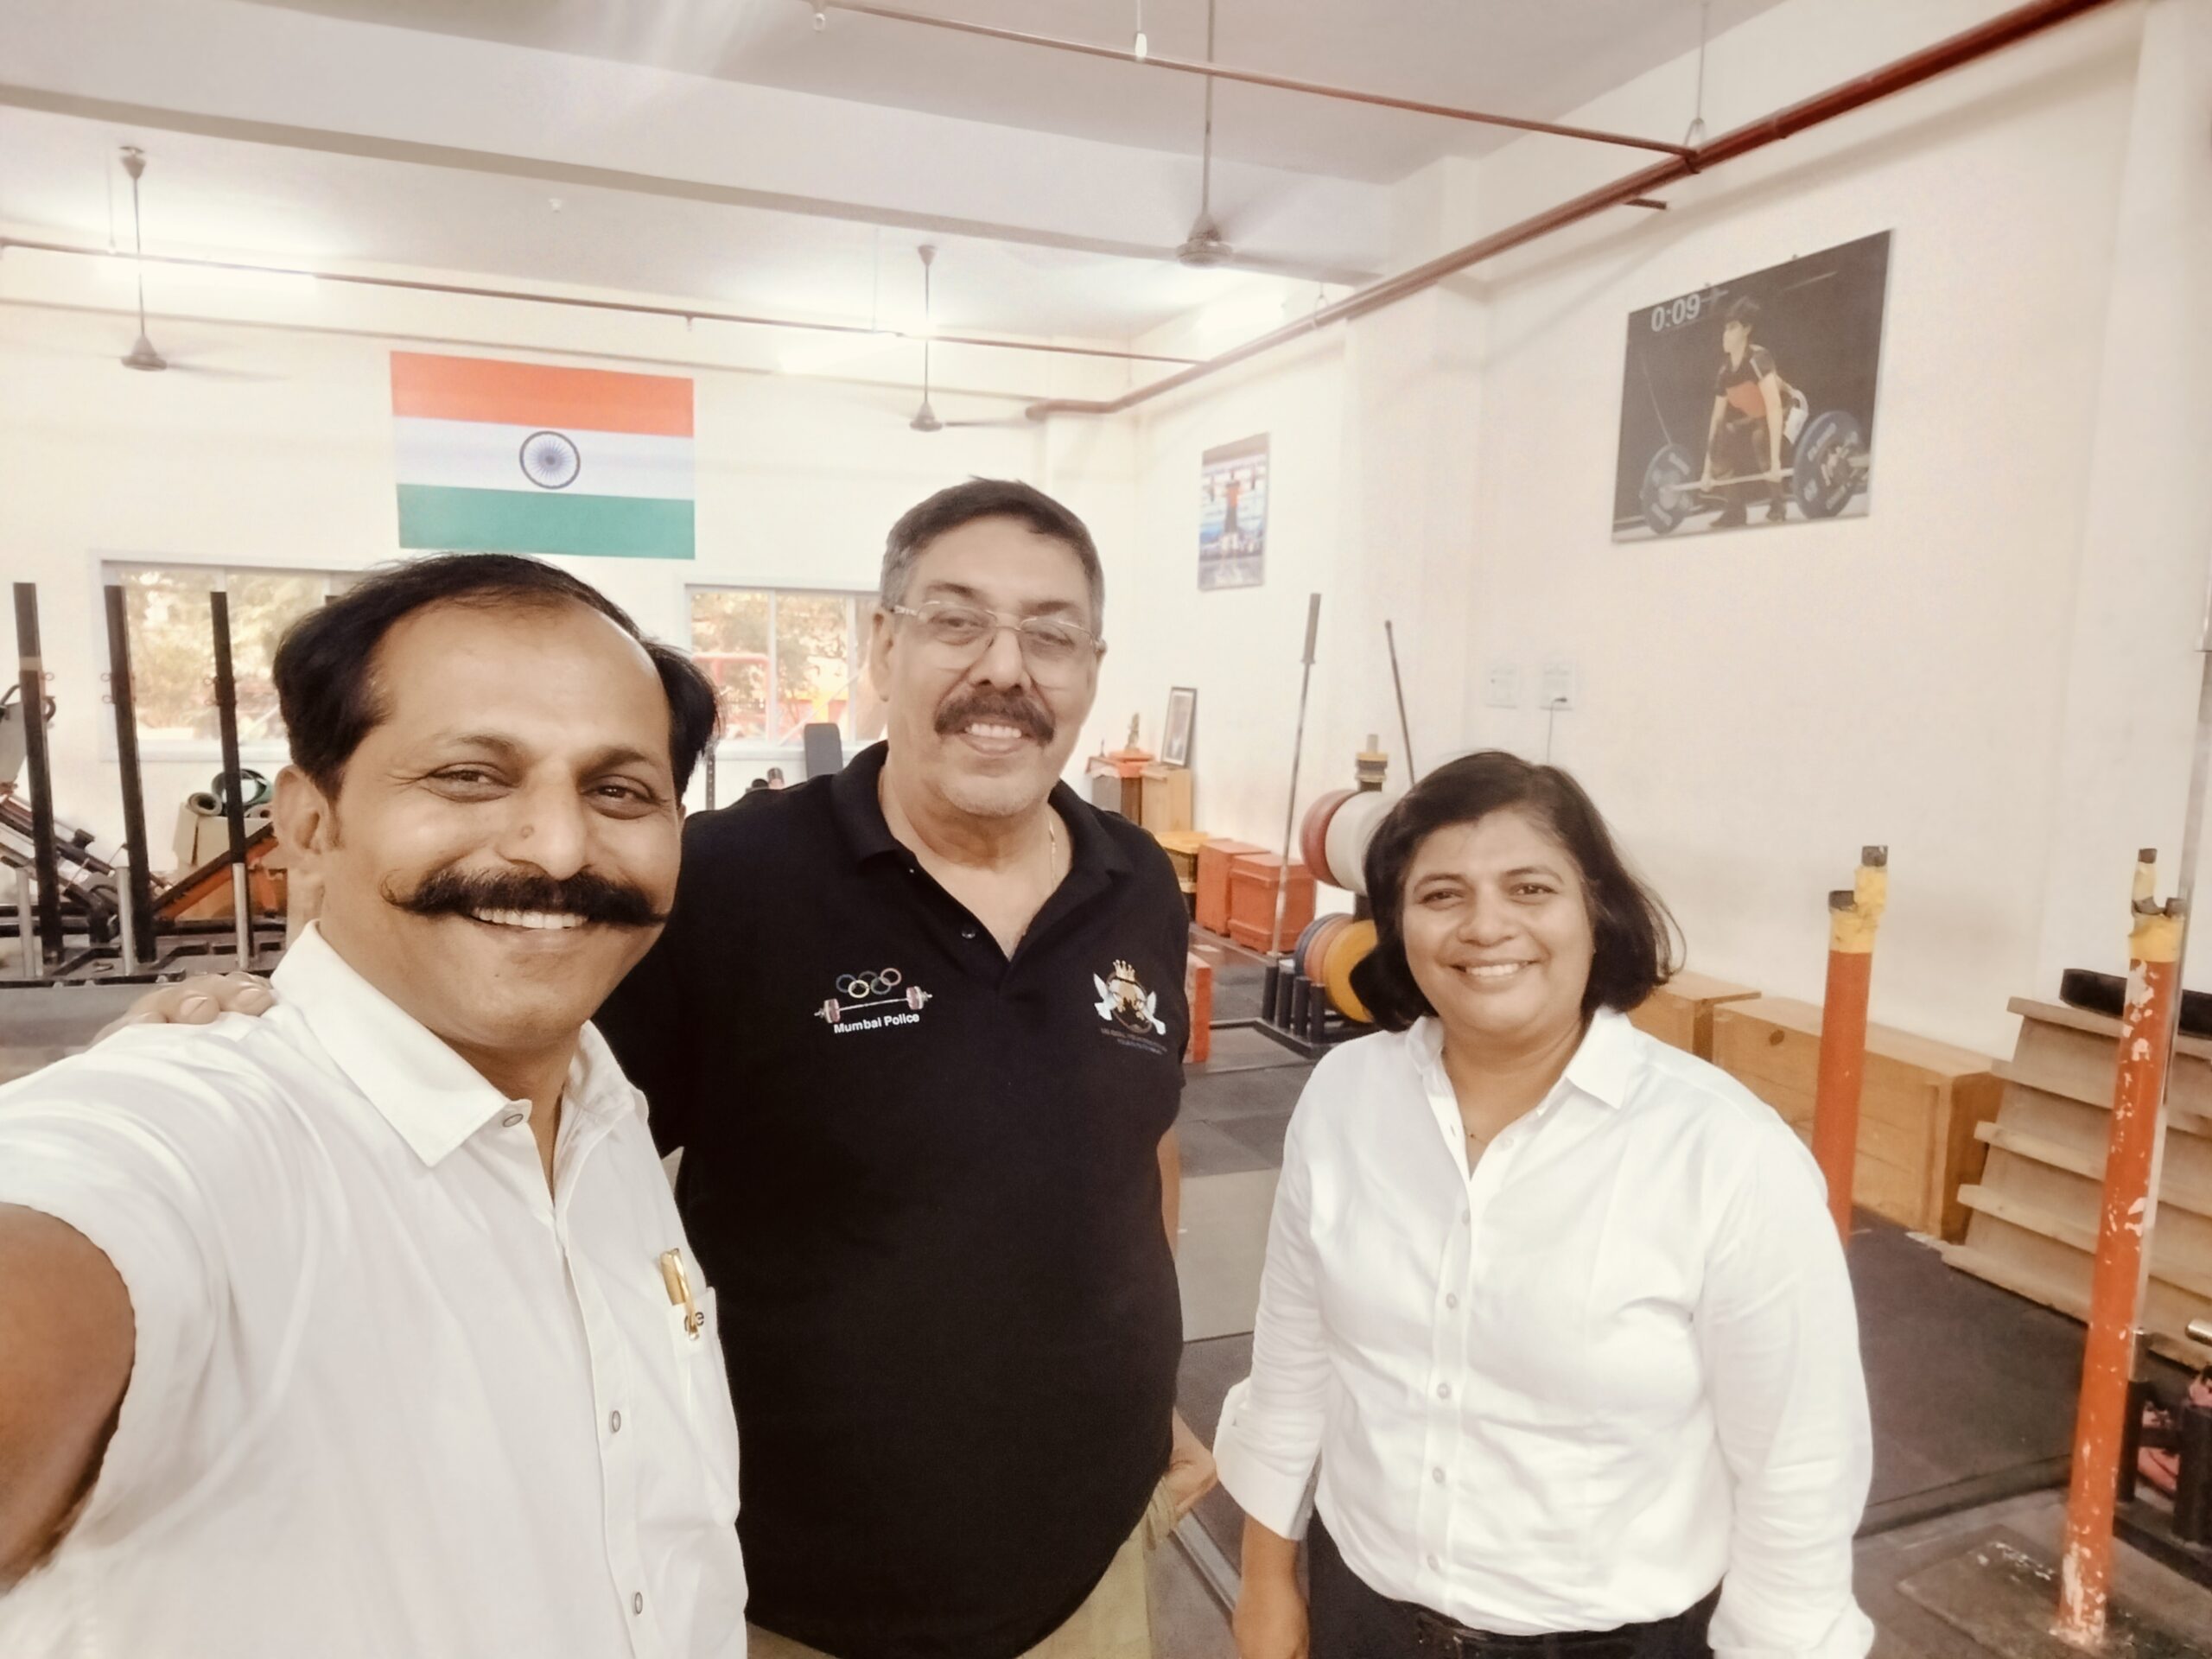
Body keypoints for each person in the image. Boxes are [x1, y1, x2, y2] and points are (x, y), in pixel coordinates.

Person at [107, 480, 1214, 1659]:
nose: (1005, 668)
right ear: (883, 644)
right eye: (956, 620)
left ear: (1092, 668)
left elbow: (1139, 1145)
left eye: (1050, 634)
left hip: (1093, 1557)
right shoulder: (720, 883)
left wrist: (1150, 1389)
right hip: (796, 1598)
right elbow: (457, 1110)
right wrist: (284, 1039)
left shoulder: (1135, 878)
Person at [0, 556, 747, 1656]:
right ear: (309, 824)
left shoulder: (601, 1111)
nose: (557, 846)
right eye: (469, 776)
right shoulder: (204, 1127)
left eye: (618, 791)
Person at [1216, 752, 1873, 1659]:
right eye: (1441, 894)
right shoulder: (1344, 1099)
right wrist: (1265, 1580)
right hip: (1362, 1614)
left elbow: (1799, 1470)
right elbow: (1295, 1360)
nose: (1487, 926)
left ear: (1596, 911)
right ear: (1396, 925)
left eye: (1530, 889)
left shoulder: (1727, 1155)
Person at [1697, 296, 1793, 528]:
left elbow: (1774, 407)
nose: (1725, 334)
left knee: (1760, 437)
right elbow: (1716, 421)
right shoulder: (1725, 373)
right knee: (1720, 437)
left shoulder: (1758, 359)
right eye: (1725, 329)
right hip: (1758, 418)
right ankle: (1735, 510)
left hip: (1789, 411)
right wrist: (1707, 472)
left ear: (1747, 330)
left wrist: (1775, 462)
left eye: (1732, 328)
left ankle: (1778, 503)